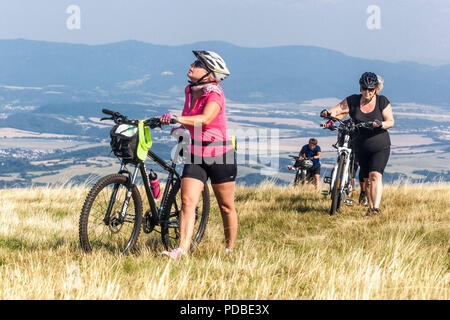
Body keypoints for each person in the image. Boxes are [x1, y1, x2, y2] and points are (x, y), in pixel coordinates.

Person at [160, 50, 237, 259]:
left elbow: (205, 119)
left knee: (226, 206)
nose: (192, 65)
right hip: (195, 153)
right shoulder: (189, 90)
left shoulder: (215, 93)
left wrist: (177, 119)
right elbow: (189, 118)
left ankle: (229, 250)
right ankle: (181, 250)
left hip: (219, 154)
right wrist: (180, 128)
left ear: (210, 74)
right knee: (187, 200)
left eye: (198, 63)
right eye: (194, 61)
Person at [321, 72, 394, 215]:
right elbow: (338, 110)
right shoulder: (353, 100)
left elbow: (390, 121)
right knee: (366, 179)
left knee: (375, 176)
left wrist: (380, 124)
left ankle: (375, 209)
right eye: (364, 88)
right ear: (360, 87)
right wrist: (327, 114)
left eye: (370, 89)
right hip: (360, 145)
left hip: (380, 146)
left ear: (376, 89)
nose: (367, 92)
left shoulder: (382, 101)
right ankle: (370, 207)